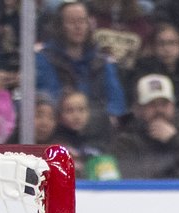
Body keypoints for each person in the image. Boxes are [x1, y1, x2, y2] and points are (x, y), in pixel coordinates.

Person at [35, 0, 128, 136]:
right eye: (71, 22)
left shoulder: (103, 61)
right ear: (59, 26)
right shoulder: (44, 59)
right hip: (60, 133)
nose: (78, 27)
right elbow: (51, 100)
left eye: (82, 21)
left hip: (100, 132)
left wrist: (100, 121)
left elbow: (116, 104)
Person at [109, 73, 179, 179]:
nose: (159, 110)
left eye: (164, 104)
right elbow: (137, 178)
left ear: (173, 106)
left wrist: (175, 140)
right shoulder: (126, 140)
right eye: (151, 104)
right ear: (138, 109)